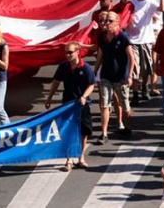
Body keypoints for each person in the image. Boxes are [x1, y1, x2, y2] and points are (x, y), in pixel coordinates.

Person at [45, 41, 95, 170]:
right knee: (68, 131)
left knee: (83, 132)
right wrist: (49, 97)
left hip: (82, 104)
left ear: (78, 52)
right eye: (66, 52)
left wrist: (84, 96)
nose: (67, 55)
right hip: (67, 104)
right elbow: (56, 81)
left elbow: (91, 85)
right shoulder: (63, 67)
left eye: (70, 52)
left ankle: (81, 156)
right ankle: (69, 159)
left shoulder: (86, 68)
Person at [94, 11, 135, 143]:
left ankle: (127, 127)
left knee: (125, 105)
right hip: (106, 75)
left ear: (117, 22)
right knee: (104, 104)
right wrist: (95, 71)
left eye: (109, 21)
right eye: (105, 21)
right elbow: (100, 54)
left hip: (120, 77)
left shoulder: (123, 37)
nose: (106, 23)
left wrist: (130, 75)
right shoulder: (102, 37)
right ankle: (104, 133)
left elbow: (131, 57)